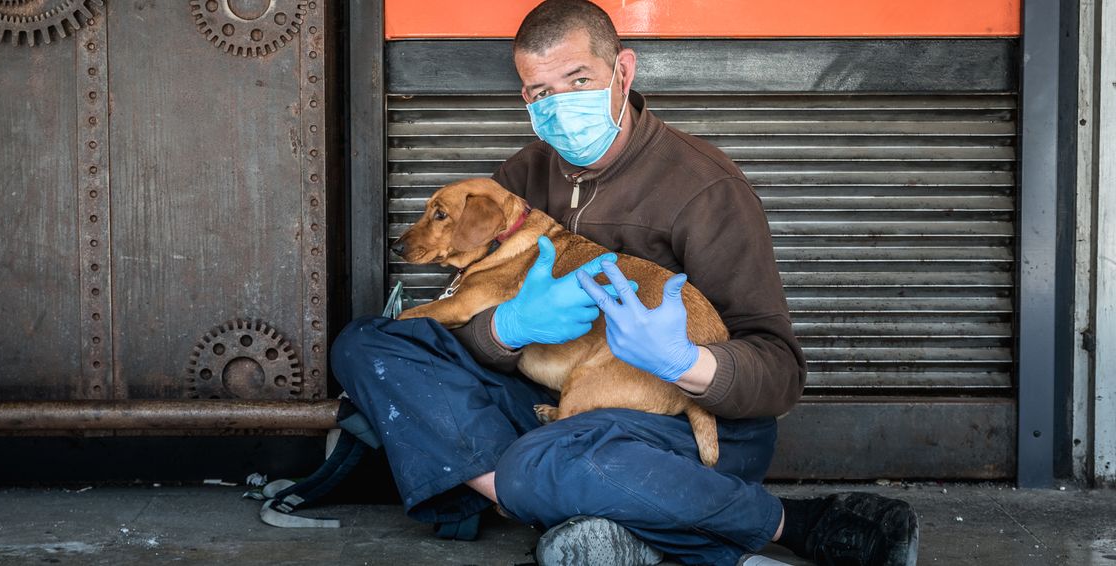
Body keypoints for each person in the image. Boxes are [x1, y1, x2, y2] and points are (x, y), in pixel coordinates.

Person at [331, 1, 919, 564]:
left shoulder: (708, 188)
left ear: (622, 70)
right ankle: (606, 513)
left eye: (579, 79)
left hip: (678, 426)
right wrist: (506, 332)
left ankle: (792, 523)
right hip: (557, 402)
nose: (560, 104)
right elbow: (476, 339)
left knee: (542, 460)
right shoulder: (518, 179)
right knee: (366, 344)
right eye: (541, 93)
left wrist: (682, 361)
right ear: (525, 98)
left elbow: (780, 370)